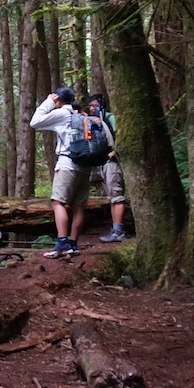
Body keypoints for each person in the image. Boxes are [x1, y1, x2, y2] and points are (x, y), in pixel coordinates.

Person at [29, 85, 112, 258]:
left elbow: (34, 122)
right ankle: (73, 244)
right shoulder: (80, 115)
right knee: (78, 206)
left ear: (58, 99)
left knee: (58, 202)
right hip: (85, 166)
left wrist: (47, 103)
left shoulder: (62, 113)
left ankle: (62, 243)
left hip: (67, 164)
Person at [86, 93, 128, 243]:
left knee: (116, 196)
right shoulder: (95, 121)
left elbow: (121, 135)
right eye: (90, 106)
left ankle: (119, 230)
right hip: (103, 163)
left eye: (94, 105)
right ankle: (115, 229)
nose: (92, 108)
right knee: (112, 198)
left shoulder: (110, 118)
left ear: (102, 104)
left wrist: (114, 151)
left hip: (112, 163)